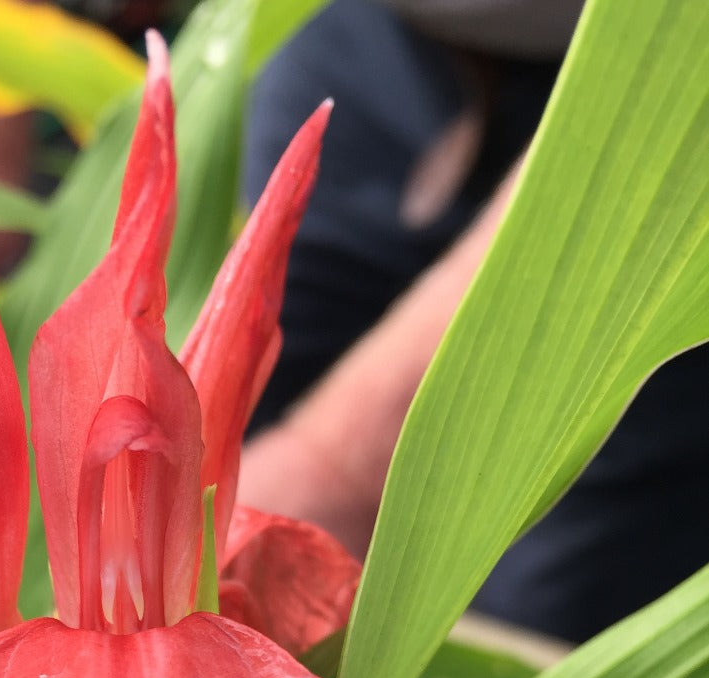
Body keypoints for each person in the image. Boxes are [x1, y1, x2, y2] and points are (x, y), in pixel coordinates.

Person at [236, 0, 709, 643]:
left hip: (650, 73)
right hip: (385, 41)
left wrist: (334, 467)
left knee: (541, 612)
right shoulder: (326, 63)